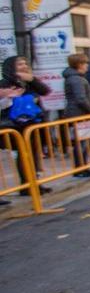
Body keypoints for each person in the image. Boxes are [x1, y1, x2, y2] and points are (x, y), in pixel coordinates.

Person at [1, 55, 52, 197]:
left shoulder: (29, 82)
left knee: (34, 155)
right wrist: (9, 96)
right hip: (16, 125)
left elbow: (45, 91)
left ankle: (35, 182)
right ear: (11, 67)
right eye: (19, 64)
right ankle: (26, 185)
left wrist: (32, 79)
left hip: (33, 124)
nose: (23, 66)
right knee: (24, 155)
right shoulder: (5, 83)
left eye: (25, 63)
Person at [63, 53, 90, 178]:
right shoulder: (76, 79)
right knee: (81, 143)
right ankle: (80, 168)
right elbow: (81, 98)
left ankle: (84, 166)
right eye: (85, 63)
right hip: (79, 115)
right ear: (80, 64)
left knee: (84, 142)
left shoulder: (77, 78)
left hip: (81, 114)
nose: (87, 66)